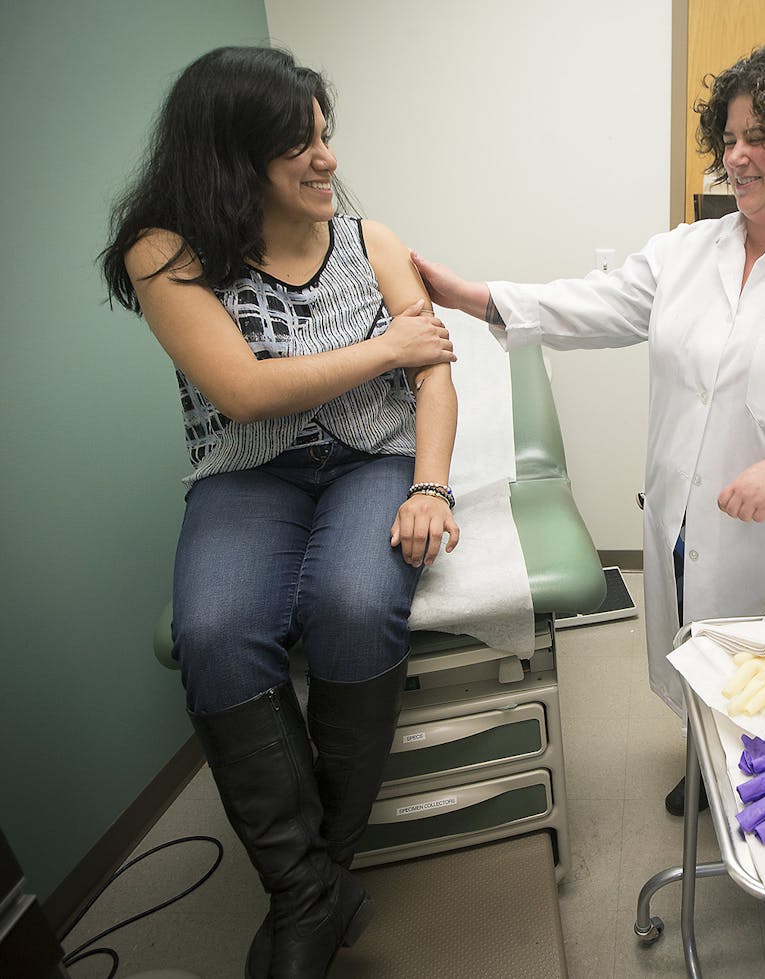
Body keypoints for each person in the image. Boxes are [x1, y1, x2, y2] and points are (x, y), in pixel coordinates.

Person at [413, 42, 765, 816]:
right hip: (685, 517)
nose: (734, 156)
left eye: (755, 137)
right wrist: (478, 298)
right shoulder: (691, 250)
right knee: (702, 660)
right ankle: (703, 757)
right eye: (727, 138)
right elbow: (600, 303)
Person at [100, 47, 459, 978]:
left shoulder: (369, 240)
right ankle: (311, 886)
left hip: (368, 461)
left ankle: (309, 883)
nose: (327, 158)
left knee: (351, 606)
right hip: (248, 472)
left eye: (326, 135)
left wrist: (428, 484)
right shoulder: (165, 252)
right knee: (213, 631)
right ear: (231, 156)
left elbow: (436, 377)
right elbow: (247, 394)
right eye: (298, 143)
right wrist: (387, 347)